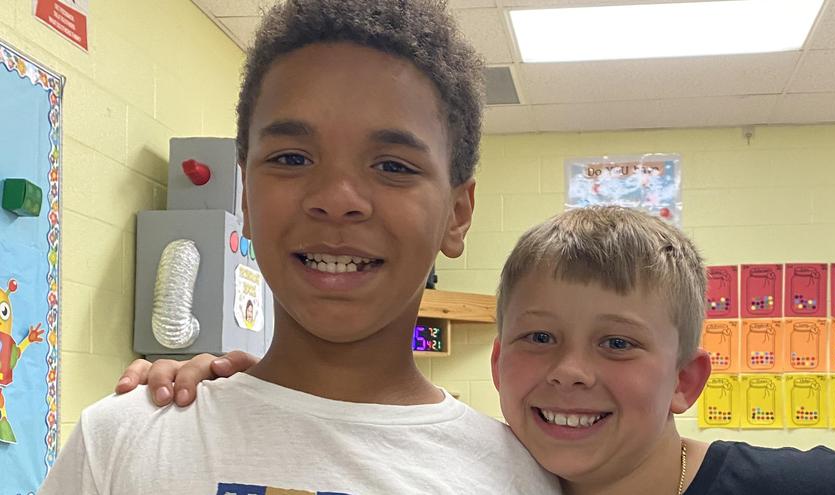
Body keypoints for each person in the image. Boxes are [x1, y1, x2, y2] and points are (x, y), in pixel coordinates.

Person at [126, 207, 835, 494]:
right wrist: (238, 391)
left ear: (685, 379)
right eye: (541, 337)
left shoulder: (798, 486)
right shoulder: (492, 472)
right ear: (497, 360)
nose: (571, 370)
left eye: (618, 343)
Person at [40, 0, 559, 493]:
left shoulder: (519, 477)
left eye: (393, 167)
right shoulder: (120, 442)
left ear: (458, 214)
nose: (336, 200)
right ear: (245, 195)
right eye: (291, 158)